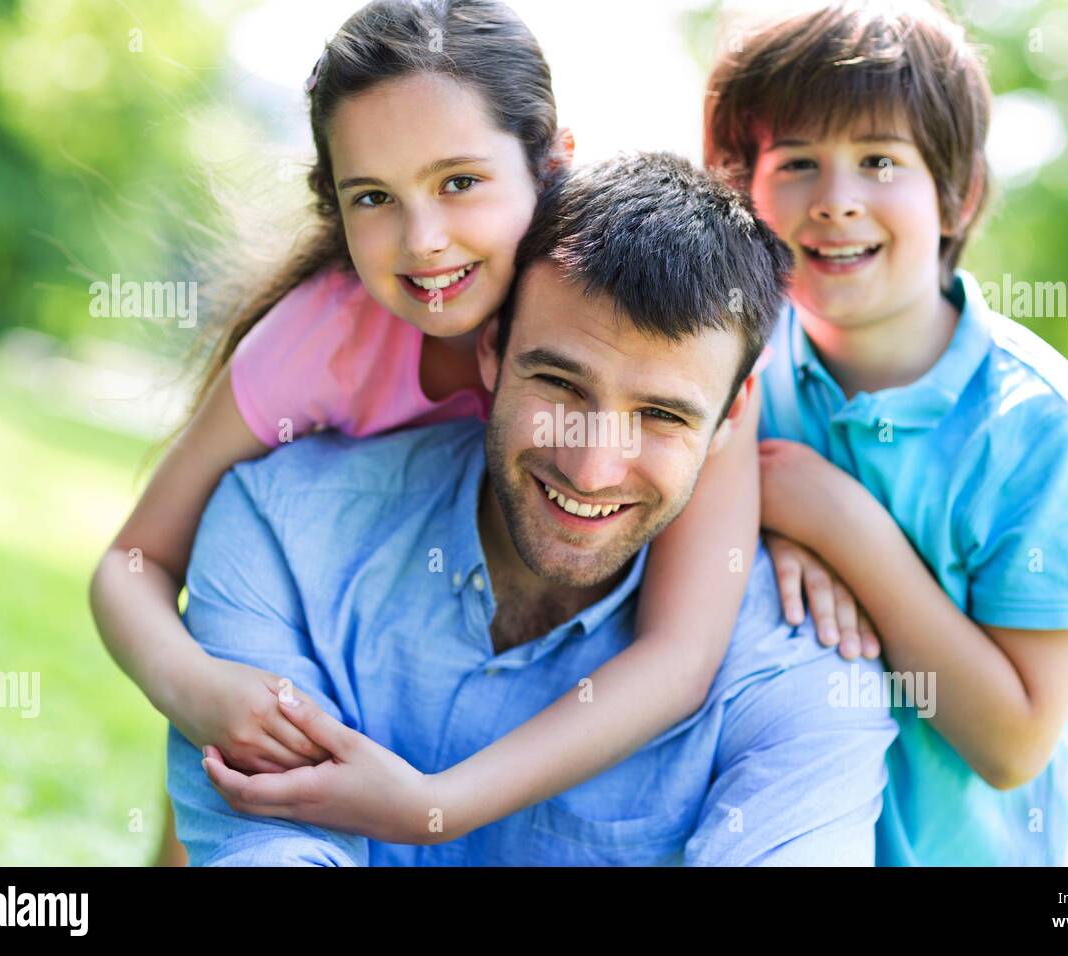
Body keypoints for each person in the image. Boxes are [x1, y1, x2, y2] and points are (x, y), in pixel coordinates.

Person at [89, 0, 772, 865]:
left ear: (553, 162)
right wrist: (194, 686)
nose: (424, 241)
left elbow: (681, 653)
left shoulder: (650, 325)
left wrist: (434, 808)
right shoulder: (321, 340)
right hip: (323, 620)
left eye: (459, 182)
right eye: (373, 196)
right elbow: (132, 562)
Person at [173, 152, 897, 865]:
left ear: (733, 414)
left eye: (661, 416)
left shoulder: (798, 675)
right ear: (491, 350)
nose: (591, 467)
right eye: (558, 383)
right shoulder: (281, 529)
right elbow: (265, 844)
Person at [705, 0, 1068, 865]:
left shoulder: (1039, 426)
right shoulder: (731, 362)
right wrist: (763, 525)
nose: (835, 200)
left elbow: (1013, 743)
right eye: (797, 162)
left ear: (958, 193)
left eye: (877, 160)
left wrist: (839, 527)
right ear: (743, 187)